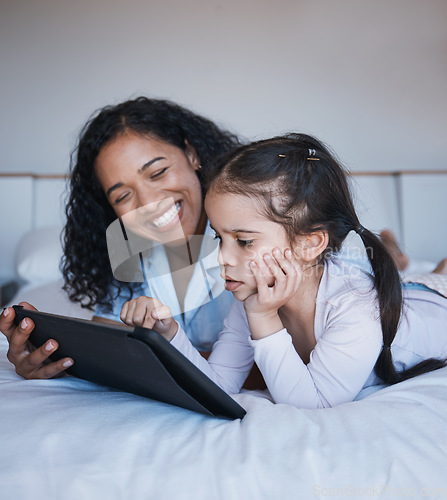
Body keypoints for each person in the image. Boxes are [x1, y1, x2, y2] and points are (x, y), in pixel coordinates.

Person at [120, 133, 447, 409]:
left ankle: (402, 254)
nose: (221, 257)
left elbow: (313, 404)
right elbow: (218, 385)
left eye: (244, 241)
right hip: (401, 294)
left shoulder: (356, 310)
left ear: (310, 244)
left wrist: (264, 320)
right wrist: (167, 335)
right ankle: (399, 254)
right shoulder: (251, 297)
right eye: (219, 237)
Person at [0, 97, 242, 379]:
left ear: (192, 154)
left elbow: (293, 357)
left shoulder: (257, 236)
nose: (148, 203)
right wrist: (50, 356)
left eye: (158, 172)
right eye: (123, 196)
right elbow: (109, 346)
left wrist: (159, 359)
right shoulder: (130, 254)